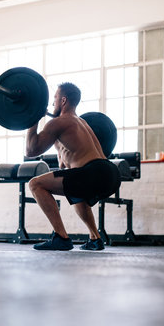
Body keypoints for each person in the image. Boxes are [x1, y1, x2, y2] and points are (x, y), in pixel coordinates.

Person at [25, 83, 121, 251]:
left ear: (63, 100)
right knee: (75, 190)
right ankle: (95, 238)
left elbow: (31, 150)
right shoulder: (82, 123)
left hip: (94, 172)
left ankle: (61, 237)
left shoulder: (59, 122)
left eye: (54, 99)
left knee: (35, 184)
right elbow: (66, 166)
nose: (53, 103)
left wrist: (33, 119)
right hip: (111, 173)